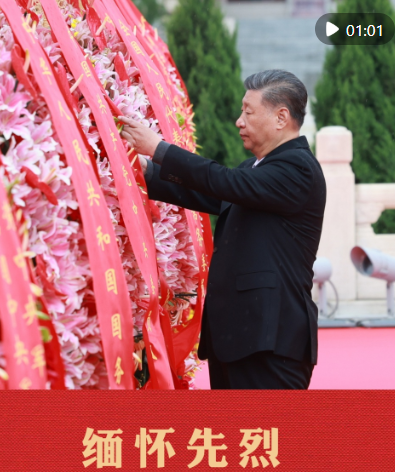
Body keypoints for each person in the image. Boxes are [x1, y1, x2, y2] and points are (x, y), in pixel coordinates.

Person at [119, 69, 326, 389]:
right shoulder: (254, 170)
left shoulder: (298, 168)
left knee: (267, 423)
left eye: (248, 112)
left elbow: (224, 181)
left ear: (281, 117)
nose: (239, 121)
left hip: (271, 340)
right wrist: (144, 169)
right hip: (237, 337)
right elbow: (208, 192)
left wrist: (159, 149)